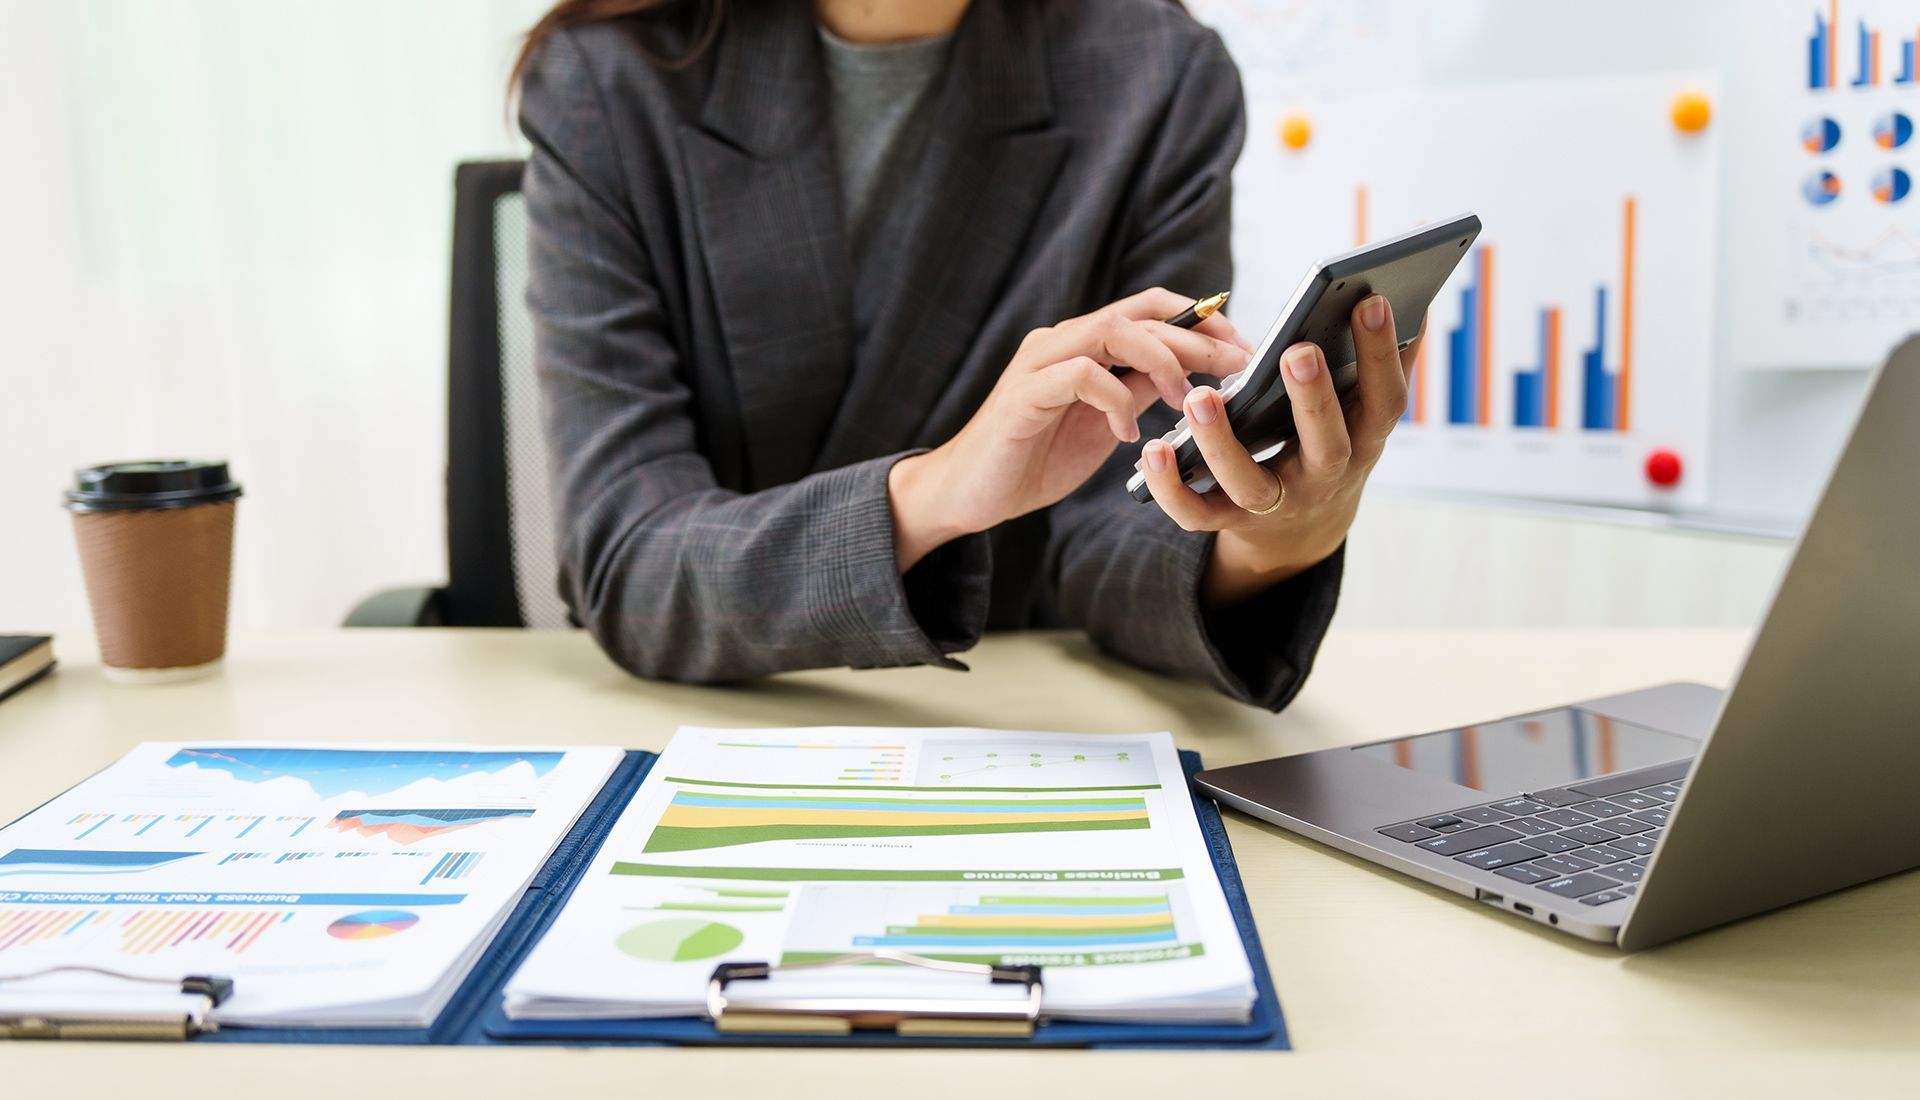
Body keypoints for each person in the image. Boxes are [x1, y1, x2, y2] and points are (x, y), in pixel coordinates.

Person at [513, 0, 1418, 709]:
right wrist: (942, 490)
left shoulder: (1157, 75)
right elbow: (628, 564)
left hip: (1020, 726)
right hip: (707, 720)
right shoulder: (607, 76)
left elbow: (1118, 511)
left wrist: (1275, 541)